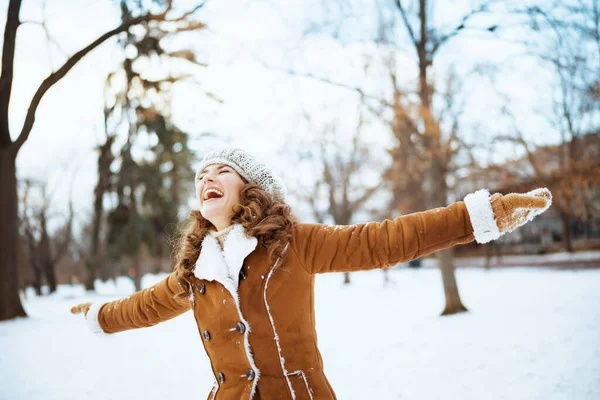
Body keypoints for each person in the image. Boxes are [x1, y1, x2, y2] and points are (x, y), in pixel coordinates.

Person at [71, 148, 552, 400]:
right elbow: (147, 305)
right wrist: (100, 315)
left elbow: (385, 239)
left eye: (221, 171)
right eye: (200, 176)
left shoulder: (294, 244)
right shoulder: (197, 270)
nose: (206, 180)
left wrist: (481, 215)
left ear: (251, 189)